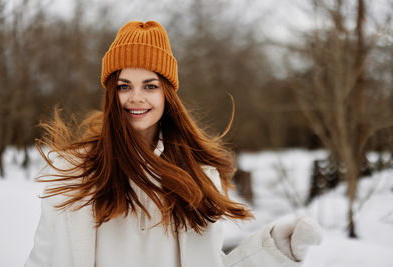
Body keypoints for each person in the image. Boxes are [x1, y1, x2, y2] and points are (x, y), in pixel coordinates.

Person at [25, 20, 321, 267]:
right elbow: (42, 260)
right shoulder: (73, 174)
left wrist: (273, 251)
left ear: (167, 94)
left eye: (150, 86)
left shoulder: (199, 176)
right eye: (124, 86)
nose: (136, 97)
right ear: (110, 95)